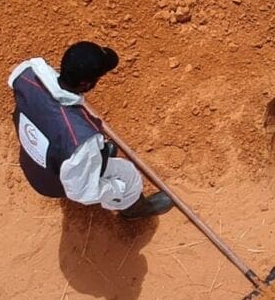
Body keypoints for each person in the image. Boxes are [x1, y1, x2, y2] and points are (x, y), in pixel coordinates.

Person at [9, 41, 173, 218]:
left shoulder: (26, 73)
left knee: (97, 152)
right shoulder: (80, 138)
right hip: (51, 182)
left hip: (34, 161)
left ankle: (91, 165)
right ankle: (133, 208)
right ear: (87, 85)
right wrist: (116, 188)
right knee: (127, 174)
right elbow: (82, 192)